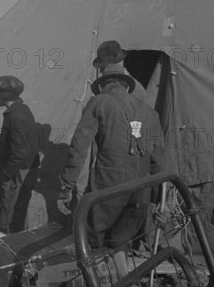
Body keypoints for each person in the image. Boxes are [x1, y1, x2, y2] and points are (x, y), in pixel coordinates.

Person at [57, 63, 164, 248]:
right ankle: (121, 276)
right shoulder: (150, 113)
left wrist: (67, 186)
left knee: (93, 241)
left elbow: (78, 148)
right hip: (141, 191)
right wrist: (157, 199)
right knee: (120, 243)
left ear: (102, 85)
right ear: (126, 85)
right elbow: (159, 161)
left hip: (109, 186)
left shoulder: (99, 102)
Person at [0, 75, 39, 234]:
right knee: (18, 213)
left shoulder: (16, 116)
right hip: (23, 171)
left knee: (8, 217)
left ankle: (9, 251)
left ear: (3, 95)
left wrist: (6, 173)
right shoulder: (20, 110)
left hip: (16, 173)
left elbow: (19, 153)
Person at [92, 40, 150, 105]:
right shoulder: (130, 85)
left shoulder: (132, 89)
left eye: (103, 67)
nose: (100, 71)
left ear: (113, 67)